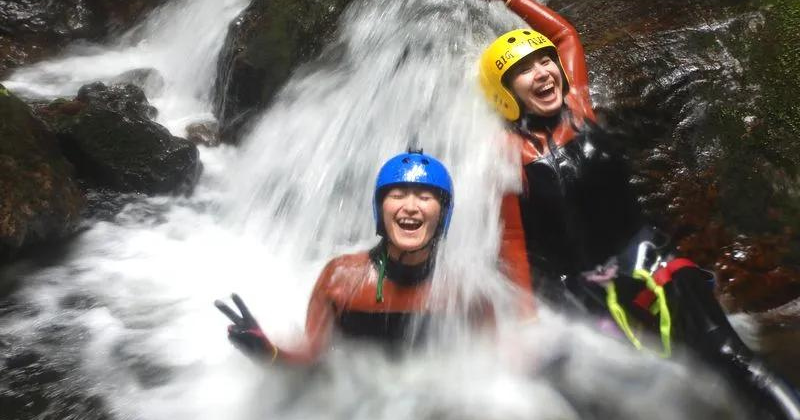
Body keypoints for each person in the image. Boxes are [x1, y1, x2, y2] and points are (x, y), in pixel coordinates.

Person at [479, 1, 800, 418]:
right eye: (524, 69)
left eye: (545, 62)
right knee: (615, 394)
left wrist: (511, 1)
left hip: (644, 253)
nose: (542, 72)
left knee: (727, 354)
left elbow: (565, 36)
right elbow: (511, 239)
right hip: (574, 285)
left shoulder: (578, 106)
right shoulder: (504, 156)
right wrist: (524, 320)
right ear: (504, 93)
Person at [217, 149, 465, 364]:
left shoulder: (465, 290)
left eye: (424, 197)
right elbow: (311, 365)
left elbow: (492, 372)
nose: (410, 207)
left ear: (442, 215)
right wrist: (267, 353)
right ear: (380, 210)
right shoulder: (341, 280)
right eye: (398, 196)